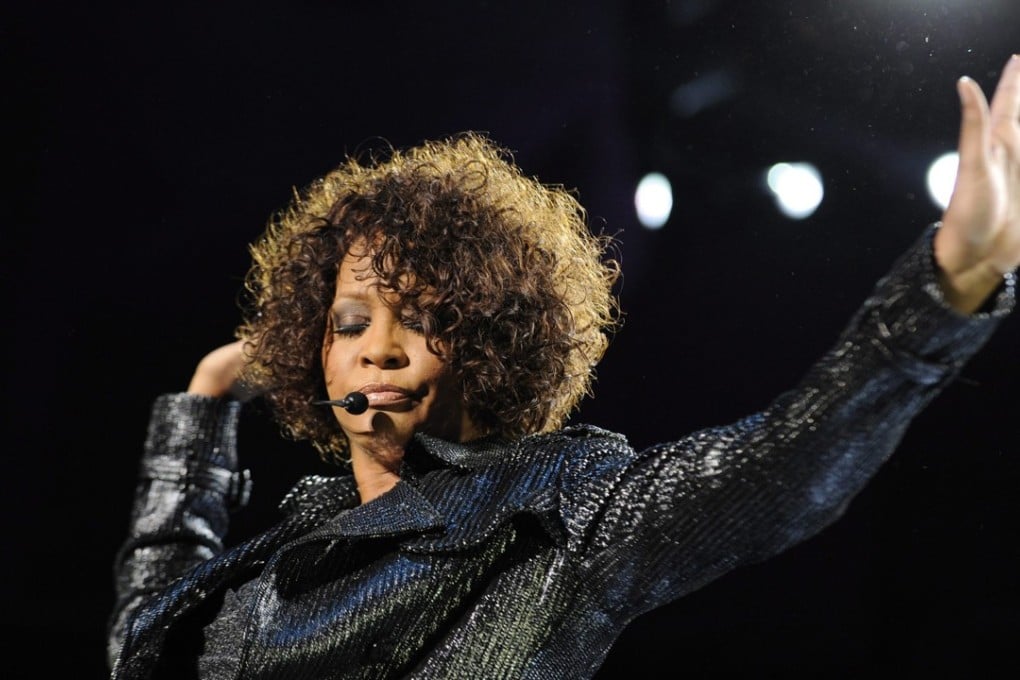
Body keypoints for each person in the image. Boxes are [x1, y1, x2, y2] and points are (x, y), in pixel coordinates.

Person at [107, 56, 1019, 679]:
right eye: (350, 321)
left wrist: (950, 286)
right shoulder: (282, 552)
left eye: (425, 318)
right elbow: (141, 648)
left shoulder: (556, 524)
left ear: (498, 342)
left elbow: (783, 465)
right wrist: (201, 413)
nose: (379, 347)